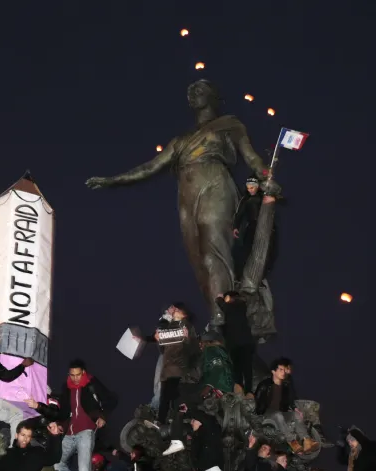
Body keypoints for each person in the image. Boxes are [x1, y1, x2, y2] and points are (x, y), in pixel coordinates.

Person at [86, 79, 273, 328]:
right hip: (186, 196)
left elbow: (251, 157)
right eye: (190, 92)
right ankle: (216, 311)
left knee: (213, 252)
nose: (193, 94)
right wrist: (113, 180)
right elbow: (150, 167)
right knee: (197, 259)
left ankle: (223, 314)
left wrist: (265, 176)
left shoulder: (229, 124)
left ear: (214, 96)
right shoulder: (180, 140)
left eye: (200, 90)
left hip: (214, 186)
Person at [55, 359, 117, 471]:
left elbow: (111, 399)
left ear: (83, 372)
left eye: (78, 374)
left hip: (86, 431)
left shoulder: (91, 383)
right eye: (72, 375)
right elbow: (63, 410)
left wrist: (103, 416)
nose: (75, 378)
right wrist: (58, 423)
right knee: (57, 463)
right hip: (69, 432)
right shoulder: (66, 387)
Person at [254, 357, 319, 455]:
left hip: (281, 412)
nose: (283, 372)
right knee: (277, 415)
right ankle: (292, 442)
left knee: (296, 415)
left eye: (284, 370)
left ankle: (307, 441)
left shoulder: (285, 386)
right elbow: (258, 402)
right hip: (266, 413)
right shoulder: (264, 385)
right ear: (273, 371)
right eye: (280, 370)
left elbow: (290, 400)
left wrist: (295, 409)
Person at [152, 304, 199, 424]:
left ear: (184, 314)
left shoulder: (187, 327)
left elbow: (193, 349)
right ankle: (161, 421)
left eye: (177, 310)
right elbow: (163, 349)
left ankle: (170, 420)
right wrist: (159, 340)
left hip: (180, 369)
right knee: (165, 397)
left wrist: (187, 338)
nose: (174, 311)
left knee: (174, 397)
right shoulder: (169, 327)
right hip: (167, 370)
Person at [232, 177, 278, 281]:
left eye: (252, 187)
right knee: (246, 251)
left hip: (267, 227)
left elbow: (277, 196)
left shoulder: (263, 195)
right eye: (248, 188)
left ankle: (261, 276)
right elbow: (239, 214)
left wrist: (273, 198)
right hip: (252, 227)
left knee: (269, 252)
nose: (250, 190)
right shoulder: (246, 199)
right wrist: (235, 227)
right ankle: (239, 276)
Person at [215, 291, 254, 393]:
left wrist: (219, 299)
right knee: (243, 369)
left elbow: (225, 307)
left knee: (241, 370)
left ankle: (245, 392)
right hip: (242, 344)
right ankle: (244, 391)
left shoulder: (237, 305)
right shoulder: (241, 306)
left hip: (239, 344)